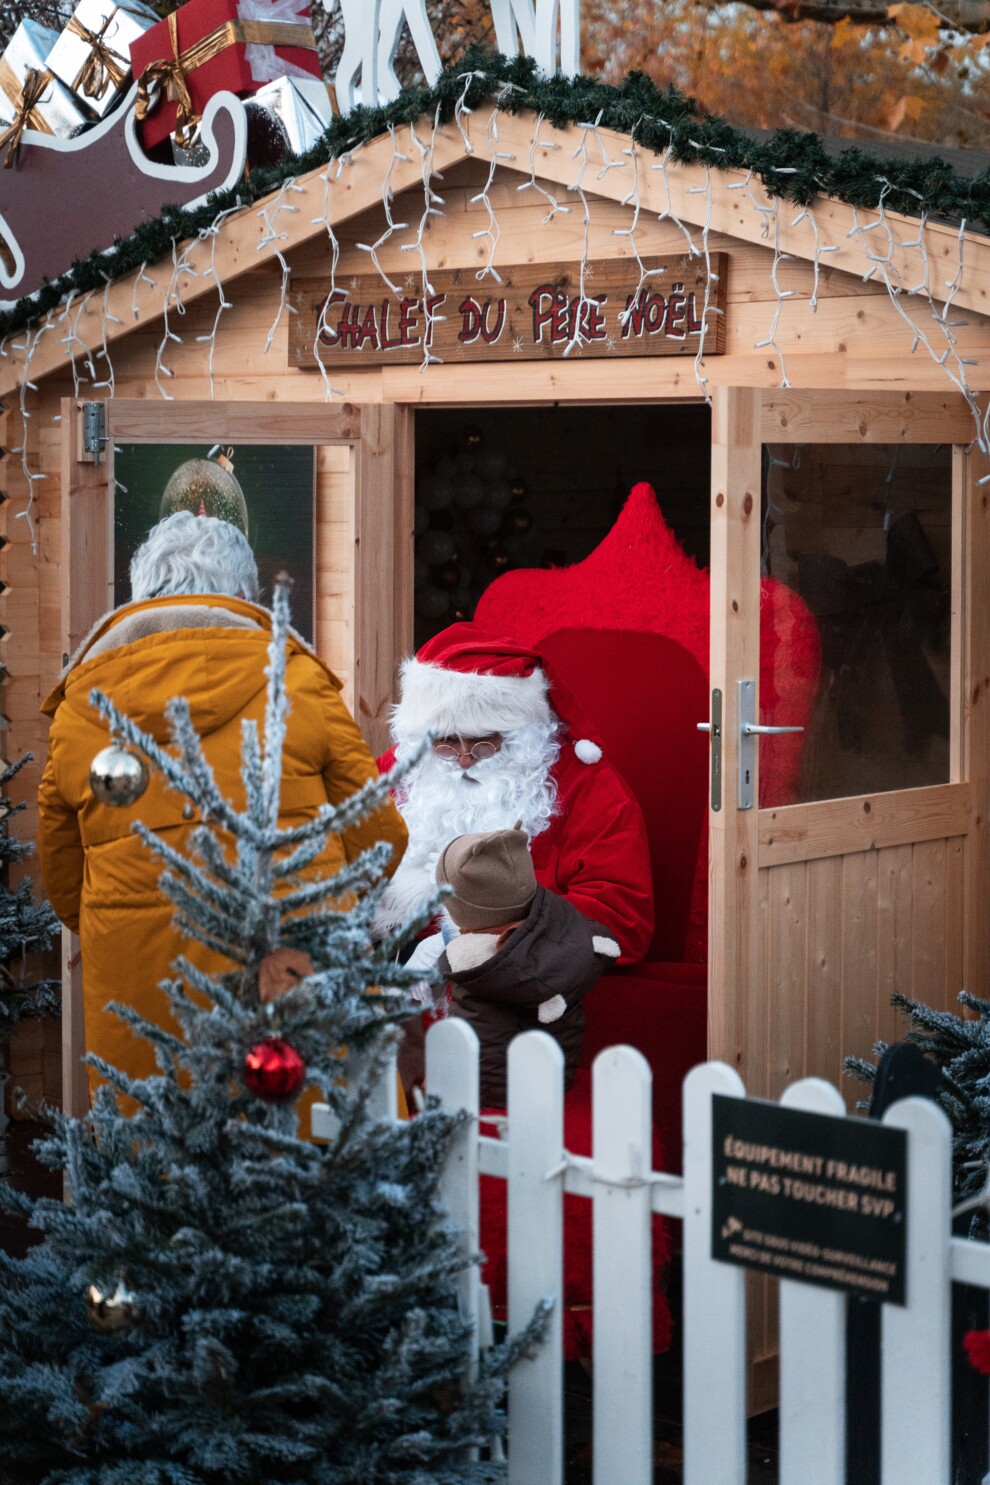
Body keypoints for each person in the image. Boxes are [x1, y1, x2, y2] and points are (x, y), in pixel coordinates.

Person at [38, 510, 408, 1096]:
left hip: (142, 994)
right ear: (242, 594)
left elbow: (62, 882)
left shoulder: (82, 707)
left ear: (141, 595)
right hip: (283, 985)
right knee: (289, 1153)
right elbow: (380, 841)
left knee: (152, 1167)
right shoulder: (297, 681)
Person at [377, 621, 654, 1101]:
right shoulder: (396, 776)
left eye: (485, 742)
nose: (464, 758)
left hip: (520, 1019)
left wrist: (471, 946)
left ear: (521, 733)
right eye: (445, 743)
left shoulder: (586, 787)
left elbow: (621, 915)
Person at [435, 826, 621, 1106]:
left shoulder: (465, 959)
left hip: (484, 1090)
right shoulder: (570, 936)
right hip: (554, 1078)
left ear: (459, 912)